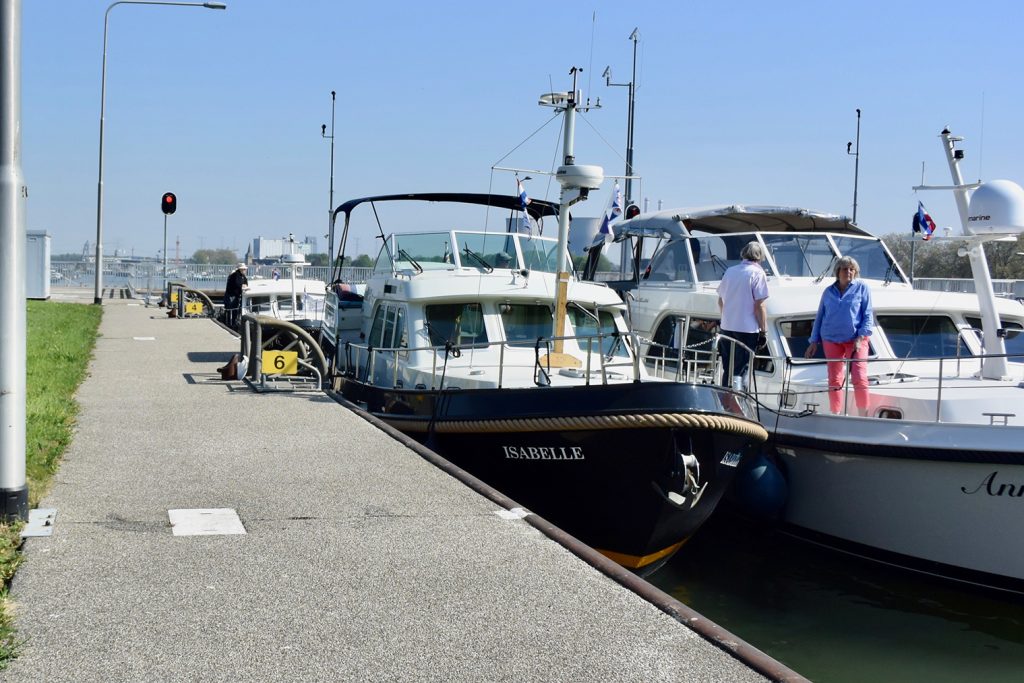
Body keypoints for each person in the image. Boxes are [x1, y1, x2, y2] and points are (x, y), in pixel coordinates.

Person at [805, 255, 874, 415]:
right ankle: (835, 413)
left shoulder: (862, 288)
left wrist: (861, 336)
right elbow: (820, 316)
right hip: (831, 339)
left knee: (859, 376)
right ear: (838, 271)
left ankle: (864, 415)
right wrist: (814, 341)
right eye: (845, 269)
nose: (848, 272)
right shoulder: (828, 291)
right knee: (835, 379)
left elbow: (868, 314)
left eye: (852, 269)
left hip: (857, 339)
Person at [717, 241, 769, 388]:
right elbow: (760, 305)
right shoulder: (758, 273)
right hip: (747, 329)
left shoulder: (730, 271)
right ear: (760, 256)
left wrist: (726, 317)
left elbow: (720, 301)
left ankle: (725, 400)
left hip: (727, 327)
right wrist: (763, 331)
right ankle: (737, 403)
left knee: (728, 368)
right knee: (741, 370)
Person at [224, 262, 248, 327]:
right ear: (241, 269)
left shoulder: (242, 276)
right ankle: (230, 323)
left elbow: (245, 282)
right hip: (232, 295)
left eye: (245, 269)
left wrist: (244, 285)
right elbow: (237, 284)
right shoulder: (236, 275)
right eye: (244, 269)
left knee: (233, 309)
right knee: (231, 309)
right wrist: (243, 286)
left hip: (235, 295)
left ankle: (232, 322)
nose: (245, 270)